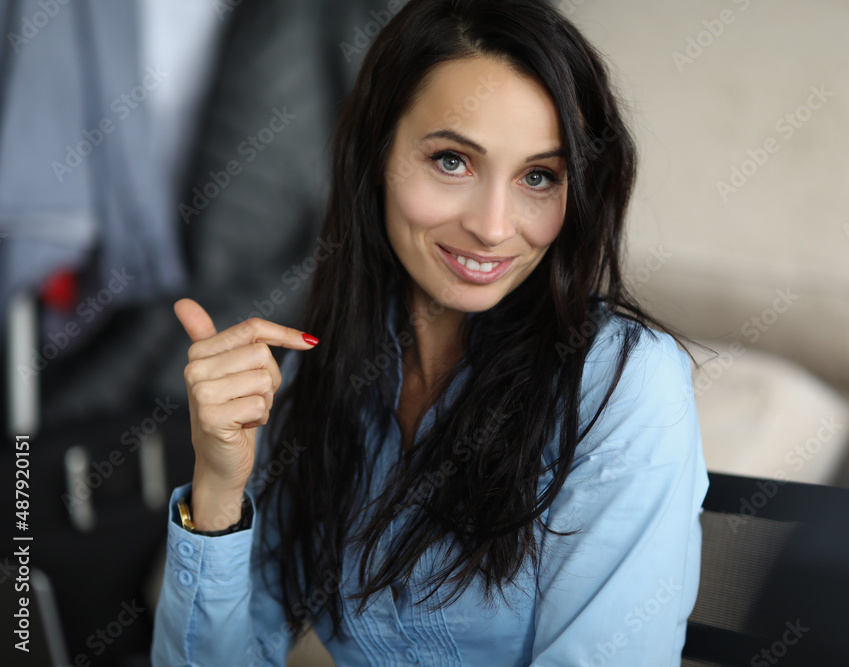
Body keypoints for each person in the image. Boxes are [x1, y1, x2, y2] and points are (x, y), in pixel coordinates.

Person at [151, 0, 708, 664]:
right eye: (453, 161)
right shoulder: (318, 371)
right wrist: (218, 485)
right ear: (376, 154)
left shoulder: (623, 385)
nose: (494, 225)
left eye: (539, 176)